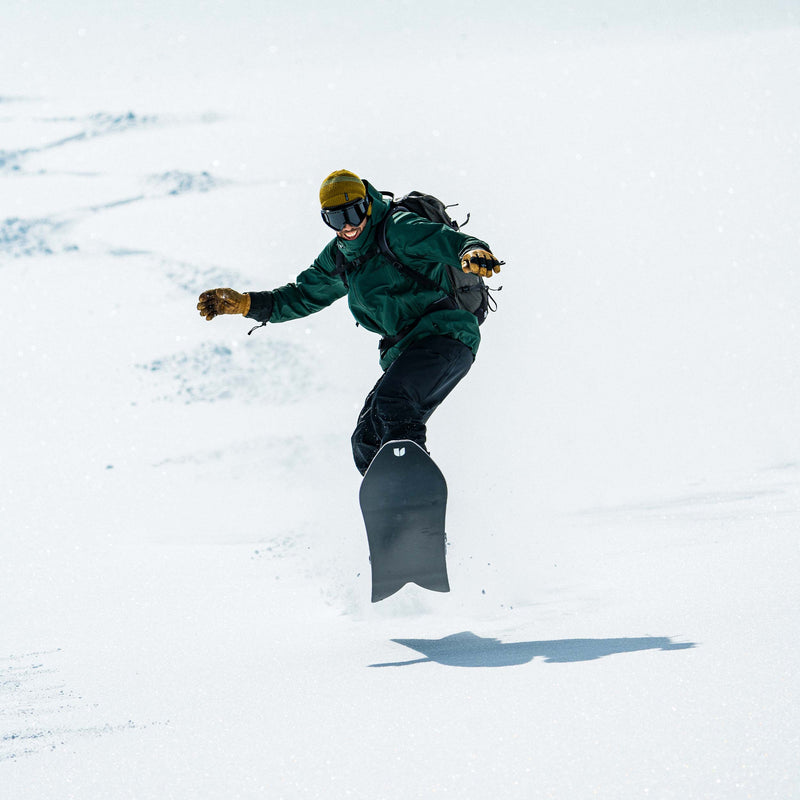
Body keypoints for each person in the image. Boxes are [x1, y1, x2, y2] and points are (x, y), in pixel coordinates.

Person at [197, 169, 502, 475]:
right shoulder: (340, 257)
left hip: (446, 335)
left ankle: (410, 483)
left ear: (367, 205)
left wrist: (470, 250)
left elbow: (443, 241)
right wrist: (247, 304)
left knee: (393, 402)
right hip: (408, 350)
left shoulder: (398, 228)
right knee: (366, 437)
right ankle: (392, 508)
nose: (347, 226)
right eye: (335, 219)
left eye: (354, 214)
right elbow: (303, 294)